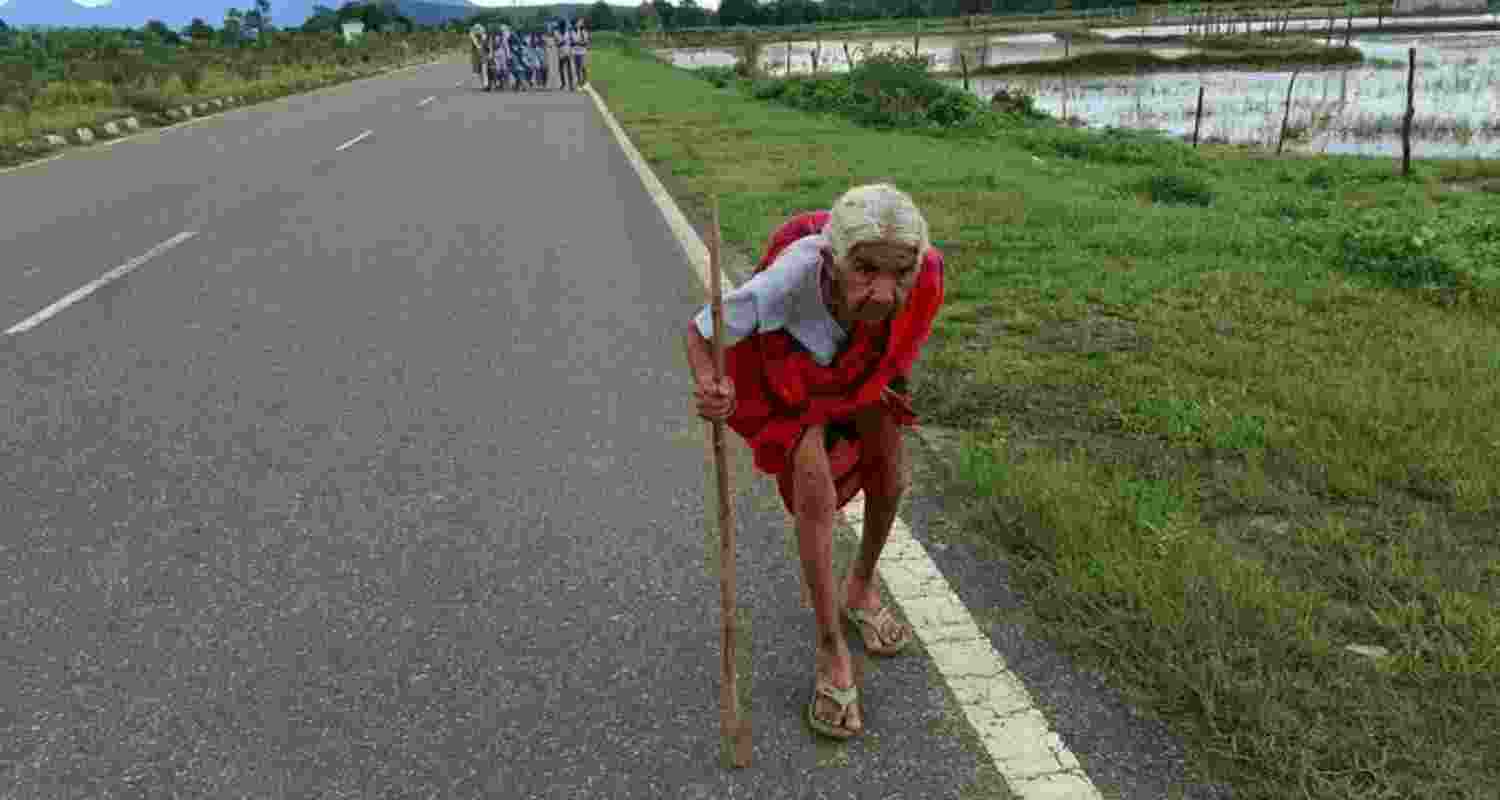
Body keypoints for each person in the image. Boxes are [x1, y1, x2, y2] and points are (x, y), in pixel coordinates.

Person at [683, 184, 945, 740]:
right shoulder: (792, 278)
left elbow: (899, 345)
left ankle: (861, 586)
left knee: (891, 471)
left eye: (898, 273)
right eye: (865, 269)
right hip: (794, 371)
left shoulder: (924, 275)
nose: (884, 291)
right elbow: (702, 334)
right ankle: (830, 647)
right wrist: (710, 384)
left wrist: (884, 388)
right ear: (832, 260)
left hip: (860, 367)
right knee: (814, 489)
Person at [556, 19, 575, 91]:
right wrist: (561, 43)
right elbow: (556, 43)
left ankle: (571, 84)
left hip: (567, 52)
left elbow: (572, 42)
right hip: (560, 53)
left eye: (562, 26)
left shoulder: (568, 33)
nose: (561, 27)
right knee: (561, 69)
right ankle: (563, 83)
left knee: (568, 69)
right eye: (561, 26)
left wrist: (570, 45)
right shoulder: (557, 33)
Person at [571, 19, 590, 88]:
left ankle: (585, 80)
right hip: (575, 52)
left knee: (583, 67)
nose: (578, 25)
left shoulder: (584, 32)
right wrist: (576, 43)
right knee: (577, 68)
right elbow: (571, 42)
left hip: (582, 52)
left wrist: (579, 43)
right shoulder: (572, 32)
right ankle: (579, 81)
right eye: (577, 23)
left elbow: (586, 42)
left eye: (580, 23)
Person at [469, 23, 488, 90]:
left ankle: (485, 84)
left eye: (479, 30)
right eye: (476, 30)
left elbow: (484, 41)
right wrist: (479, 46)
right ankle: (483, 84)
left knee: (484, 70)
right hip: (476, 55)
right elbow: (476, 43)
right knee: (479, 71)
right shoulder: (472, 34)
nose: (478, 31)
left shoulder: (484, 34)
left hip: (483, 54)